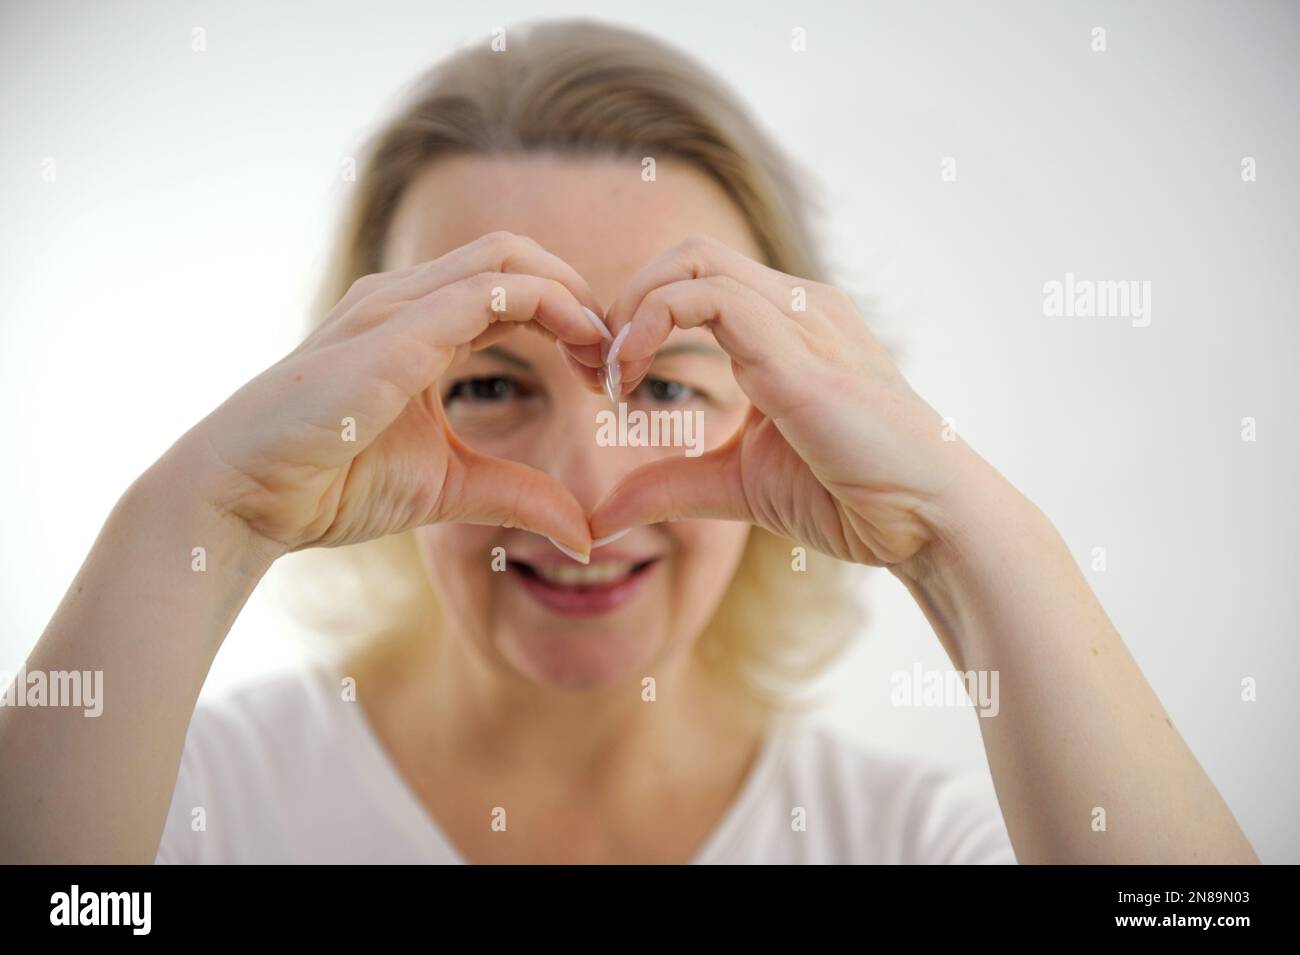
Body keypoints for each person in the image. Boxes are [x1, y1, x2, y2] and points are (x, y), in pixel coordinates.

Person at [0, 20, 1258, 864]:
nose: (585, 491)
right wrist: (200, 518)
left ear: (789, 402)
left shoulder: (900, 837)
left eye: (663, 381)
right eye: (487, 383)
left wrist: (960, 539)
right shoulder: (180, 801)